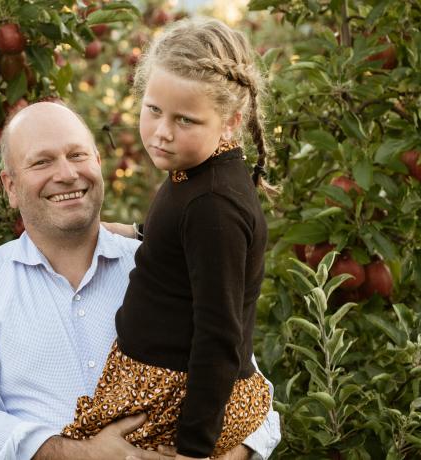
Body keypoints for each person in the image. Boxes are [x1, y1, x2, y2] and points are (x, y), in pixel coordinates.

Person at [0, 100, 280, 460]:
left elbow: (251, 394)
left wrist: (221, 456)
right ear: (10, 187)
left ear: (98, 162)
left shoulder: (164, 267)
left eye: (77, 155)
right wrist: (80, 454)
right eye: (42, 161)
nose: (66, 174)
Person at [61, 17, 276, 459]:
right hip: (166, 384)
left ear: (231, 121)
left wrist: (192, 450)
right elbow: (190, 243)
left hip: (177, 400)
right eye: (154, 110)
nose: (162, 131)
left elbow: (219, 335)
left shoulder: (214, 204)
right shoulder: (199, 175)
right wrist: (142, 233)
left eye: (185, 120)